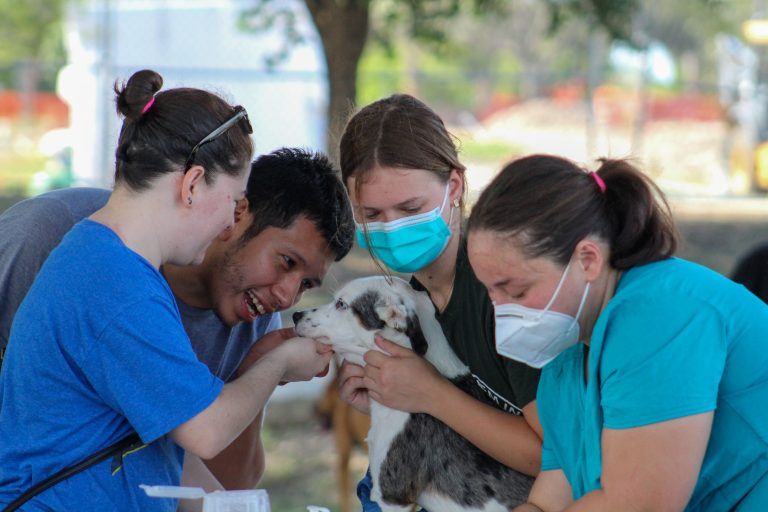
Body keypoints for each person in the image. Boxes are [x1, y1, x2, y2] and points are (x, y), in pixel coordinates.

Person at [0, 70, 352, 511]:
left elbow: (160, 452)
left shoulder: (116, 269)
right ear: (191, 185)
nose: (229, 223)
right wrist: (278, 363)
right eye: (233, 202)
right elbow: (204, 429)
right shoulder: (117, 284)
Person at [466, 154, 768, 511]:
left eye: (516, 291)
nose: (501, 309)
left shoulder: (659, 317)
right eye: (490, 292)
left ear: (588, 260)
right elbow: (550, 500)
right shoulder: (564, 366)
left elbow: (638, 504)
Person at [336, 94, 543, 510]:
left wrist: (430, 394)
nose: (392, 228)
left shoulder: (501, 291)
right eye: (371, 214)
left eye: (410, 207)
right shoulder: (410, 304)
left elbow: (551, 454)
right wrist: (389, 405)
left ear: (455, 186)